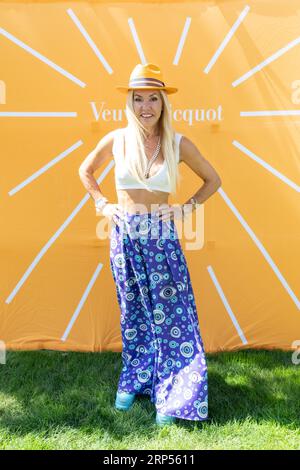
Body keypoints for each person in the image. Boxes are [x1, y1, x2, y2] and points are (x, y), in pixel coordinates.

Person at [78, 63, 222, 426]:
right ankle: (135, 379)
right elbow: (86, 170)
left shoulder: (178, 143)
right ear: (130, 102)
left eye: (153, 98)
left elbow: (212, 179)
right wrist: (102, 203)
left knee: (172, 315)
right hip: (124, 236)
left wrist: (184, 209)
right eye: (138, 98)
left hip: (162, 240)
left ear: (163, 103)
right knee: (134, 315)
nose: (146, 106)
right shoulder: (116, 139)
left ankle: (175, 396)